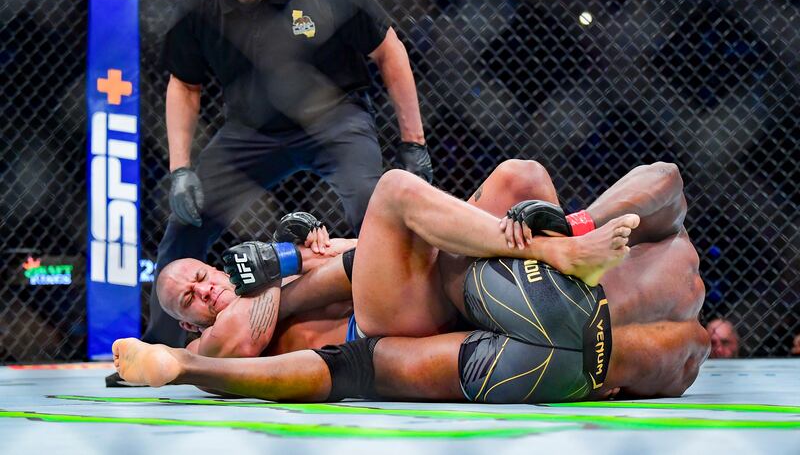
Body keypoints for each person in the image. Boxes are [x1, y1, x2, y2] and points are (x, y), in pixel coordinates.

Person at [116, 160, 710, 403]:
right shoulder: (209, 333)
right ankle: (562, 250)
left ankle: (567, 239)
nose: (201, 292)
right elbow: (241, 338)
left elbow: (358, 258)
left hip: (420, 302)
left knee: (518, 175)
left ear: (210, 264)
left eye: (197, 278)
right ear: (188, 322)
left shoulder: (259, 275)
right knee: (396, 189)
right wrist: (287, 263)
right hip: (378, 335)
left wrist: (313, 253)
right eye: (188, 301)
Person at [145, 0, 432, 348]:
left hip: (335, 118)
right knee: (184, 225)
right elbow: (184, 84)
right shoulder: (201, 1)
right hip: (251, 132)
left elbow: (389, 50)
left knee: (372, 208)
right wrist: (181, 169)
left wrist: (414, 144)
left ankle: (398, 320)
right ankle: (160, 348)